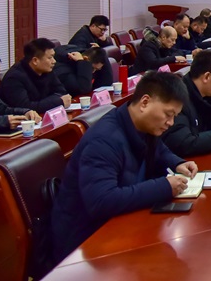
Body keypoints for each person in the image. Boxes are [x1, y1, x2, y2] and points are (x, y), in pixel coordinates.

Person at [50, 71, 199, 264]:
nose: (170, 123)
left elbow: (159, 150)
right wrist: (164, 187)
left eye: (174, 117)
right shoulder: (104, 141)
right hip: (86, 246)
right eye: (168, 115)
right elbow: (101, 201)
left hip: (122, 225)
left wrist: (177, 163)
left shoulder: (140, 124)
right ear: (145, 102)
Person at [0, 38, 72, 113]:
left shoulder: (46, 70)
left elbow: (61, 92)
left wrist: (44, 103)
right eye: (50, 58)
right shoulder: (14, 78)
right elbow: (25, 108)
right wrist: (57, 102)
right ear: (35, 61)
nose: (54, 61)